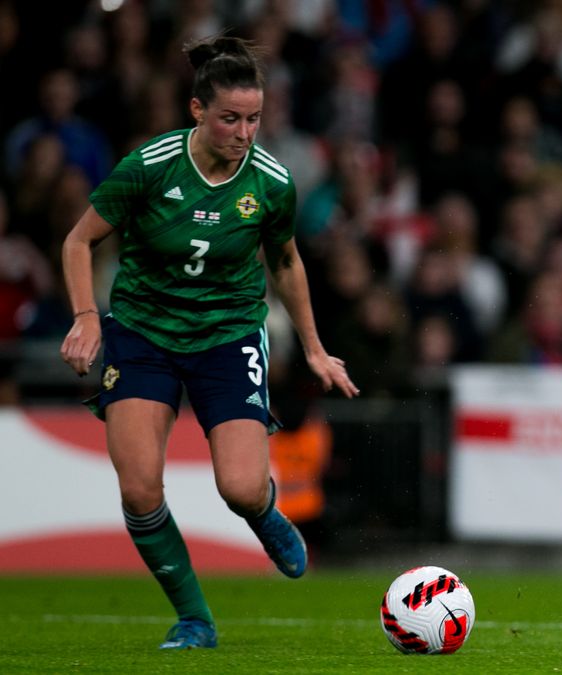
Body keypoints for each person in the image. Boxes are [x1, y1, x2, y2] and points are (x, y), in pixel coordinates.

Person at [58, 36, 359, 651]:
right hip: (142, 331)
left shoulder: (271, 184)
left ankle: (264, 514)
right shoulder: (150, 165)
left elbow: (286, 261)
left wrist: (314, 346)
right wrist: (87, 316)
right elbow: (77, 241)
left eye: (254, 119)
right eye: (230, 118)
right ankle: (194, 617)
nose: (244, 132)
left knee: (240, 487)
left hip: (227, 334)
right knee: (140, 488)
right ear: (197, 111)